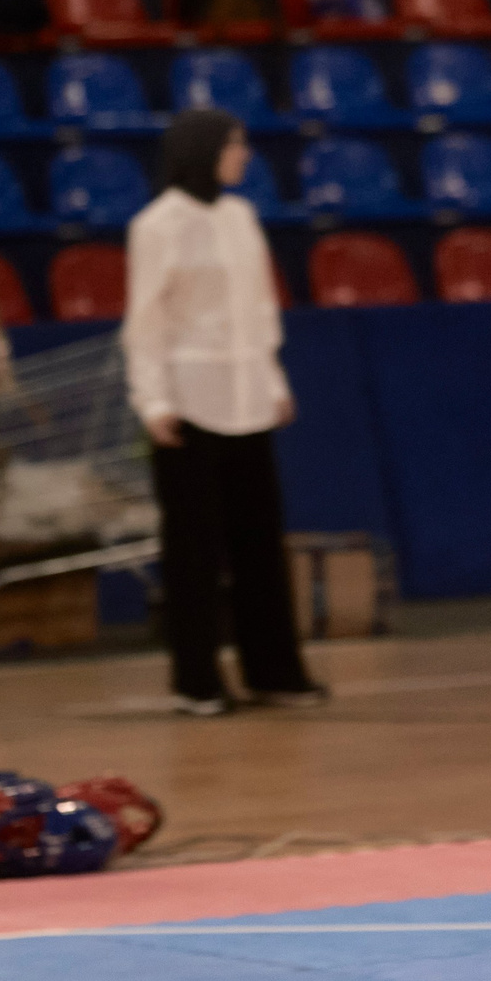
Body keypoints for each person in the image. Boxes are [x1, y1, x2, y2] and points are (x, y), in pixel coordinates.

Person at [123, 109, 324, 714]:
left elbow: (259, 309)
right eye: (235, 144)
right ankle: (197, 679)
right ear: (203, 149)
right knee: (194, 552)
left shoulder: (240, 216)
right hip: (188, 406)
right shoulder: (157, 225)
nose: (243, 155)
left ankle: (276, 672)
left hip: (247, 402)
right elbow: (146, 323)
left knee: (260, 546)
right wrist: (153, 401)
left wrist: (272, 378)